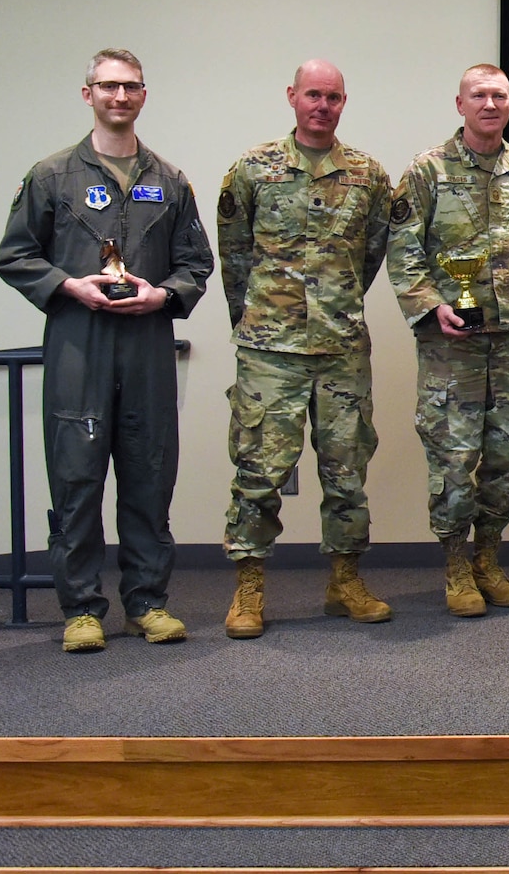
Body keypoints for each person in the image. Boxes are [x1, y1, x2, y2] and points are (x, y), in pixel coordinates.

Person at [0, 48, 214, 653]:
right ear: (87, 93)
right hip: (78, 345)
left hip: (146, 346)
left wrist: (161, 295)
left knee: (149, 476)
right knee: (76, 476)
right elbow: (15, 255)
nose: (121, 97)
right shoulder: (51, 176)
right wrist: (68, 285)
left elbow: (197, 263)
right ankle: (82, 609)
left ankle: (147, 603)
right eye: (109, 86)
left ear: (144, 96)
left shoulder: (169, 181)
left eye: (132, 87)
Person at [216, 59, 394, 638]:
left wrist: (333, 306)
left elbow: (368, 258)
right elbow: (235, 254)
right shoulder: (252, 169)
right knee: (259, 470)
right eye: (313, 94)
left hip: (341, 347)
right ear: (292, 96)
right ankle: (249, 590)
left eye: (334, 97)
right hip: (271, 349)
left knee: (347, 471)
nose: (323, 105)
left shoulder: (369, 175)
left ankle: (345, 582)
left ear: (345, 102)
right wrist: (260, 320)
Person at [389, 63, 509, 617]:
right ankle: (456, 564)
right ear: (460, 104)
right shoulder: (426, 171)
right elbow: (403, 249)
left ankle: (489, 558)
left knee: (508, 456)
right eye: (478, 95)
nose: (489, 104)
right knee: (454, 457)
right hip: (450, 342)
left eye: (499, 96)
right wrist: (432, 305)